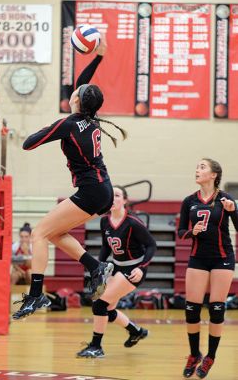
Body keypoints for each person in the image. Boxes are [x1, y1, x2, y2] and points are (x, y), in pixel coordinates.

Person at [12, 40, 127, 320]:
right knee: (53, 234)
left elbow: (28, 144)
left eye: (76, 93)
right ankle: (95, 267)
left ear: (77, 100)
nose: (74, 91)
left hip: (91, 190)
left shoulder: (69, 124)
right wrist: (98, 57)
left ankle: (36, 294)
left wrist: (55, 126)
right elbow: (82, 83)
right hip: (102, 189)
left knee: (39, 233)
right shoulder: (91, 118)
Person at [77, 186, 157, 358]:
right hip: (117, 266)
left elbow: (152, 245)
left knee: (100, 304)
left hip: (133, 269)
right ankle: (136, 331)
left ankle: (96, 346)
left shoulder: (133, 222)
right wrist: (99, 268)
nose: (113, 198)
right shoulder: (104, 221)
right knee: (109, 309)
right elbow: (106, 247)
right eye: (111, 195)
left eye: (118, 195)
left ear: (125, 201)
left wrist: (142, 268)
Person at [178, 158, 238, 379]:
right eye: (197, 167)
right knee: (192, 309)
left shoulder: (225, 199)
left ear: (214, 175)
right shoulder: (189, 201)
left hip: (222, 258)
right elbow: (181, 232)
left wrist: (233, 211)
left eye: (202, 167)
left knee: (216, 308)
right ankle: (194, 354)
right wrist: (192, 232)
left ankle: (211, 356)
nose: (197, 170)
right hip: (198, 259)